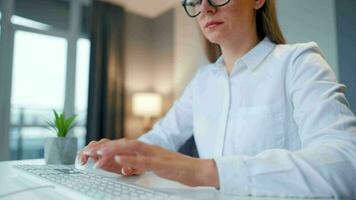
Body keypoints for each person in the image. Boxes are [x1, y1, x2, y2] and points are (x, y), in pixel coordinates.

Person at [79, 0, 356, 198]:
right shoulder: (202, 81)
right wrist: (124, 155)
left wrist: (202, 171)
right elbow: (160, 139)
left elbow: (346, 165)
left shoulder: (298, 62)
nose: (205, 9)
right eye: (195, 1)